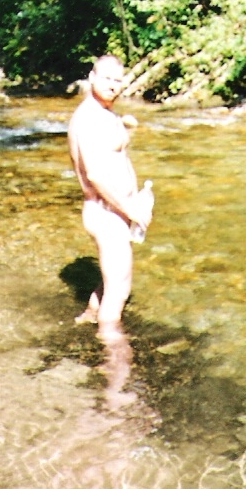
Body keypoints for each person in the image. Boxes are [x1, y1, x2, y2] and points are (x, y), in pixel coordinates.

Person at [68, 54, 154, 340]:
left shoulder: (105, 113)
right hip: (106, 211)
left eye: (118, 80)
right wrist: (130, 208)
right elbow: (95, 175)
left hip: (114, 209)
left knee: (112, 279)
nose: (112, 85)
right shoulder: (89, 119)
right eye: (106, 78)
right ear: (92, 77)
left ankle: (90, 315)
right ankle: (113, 355)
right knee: (120, 288)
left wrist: (124, 124)